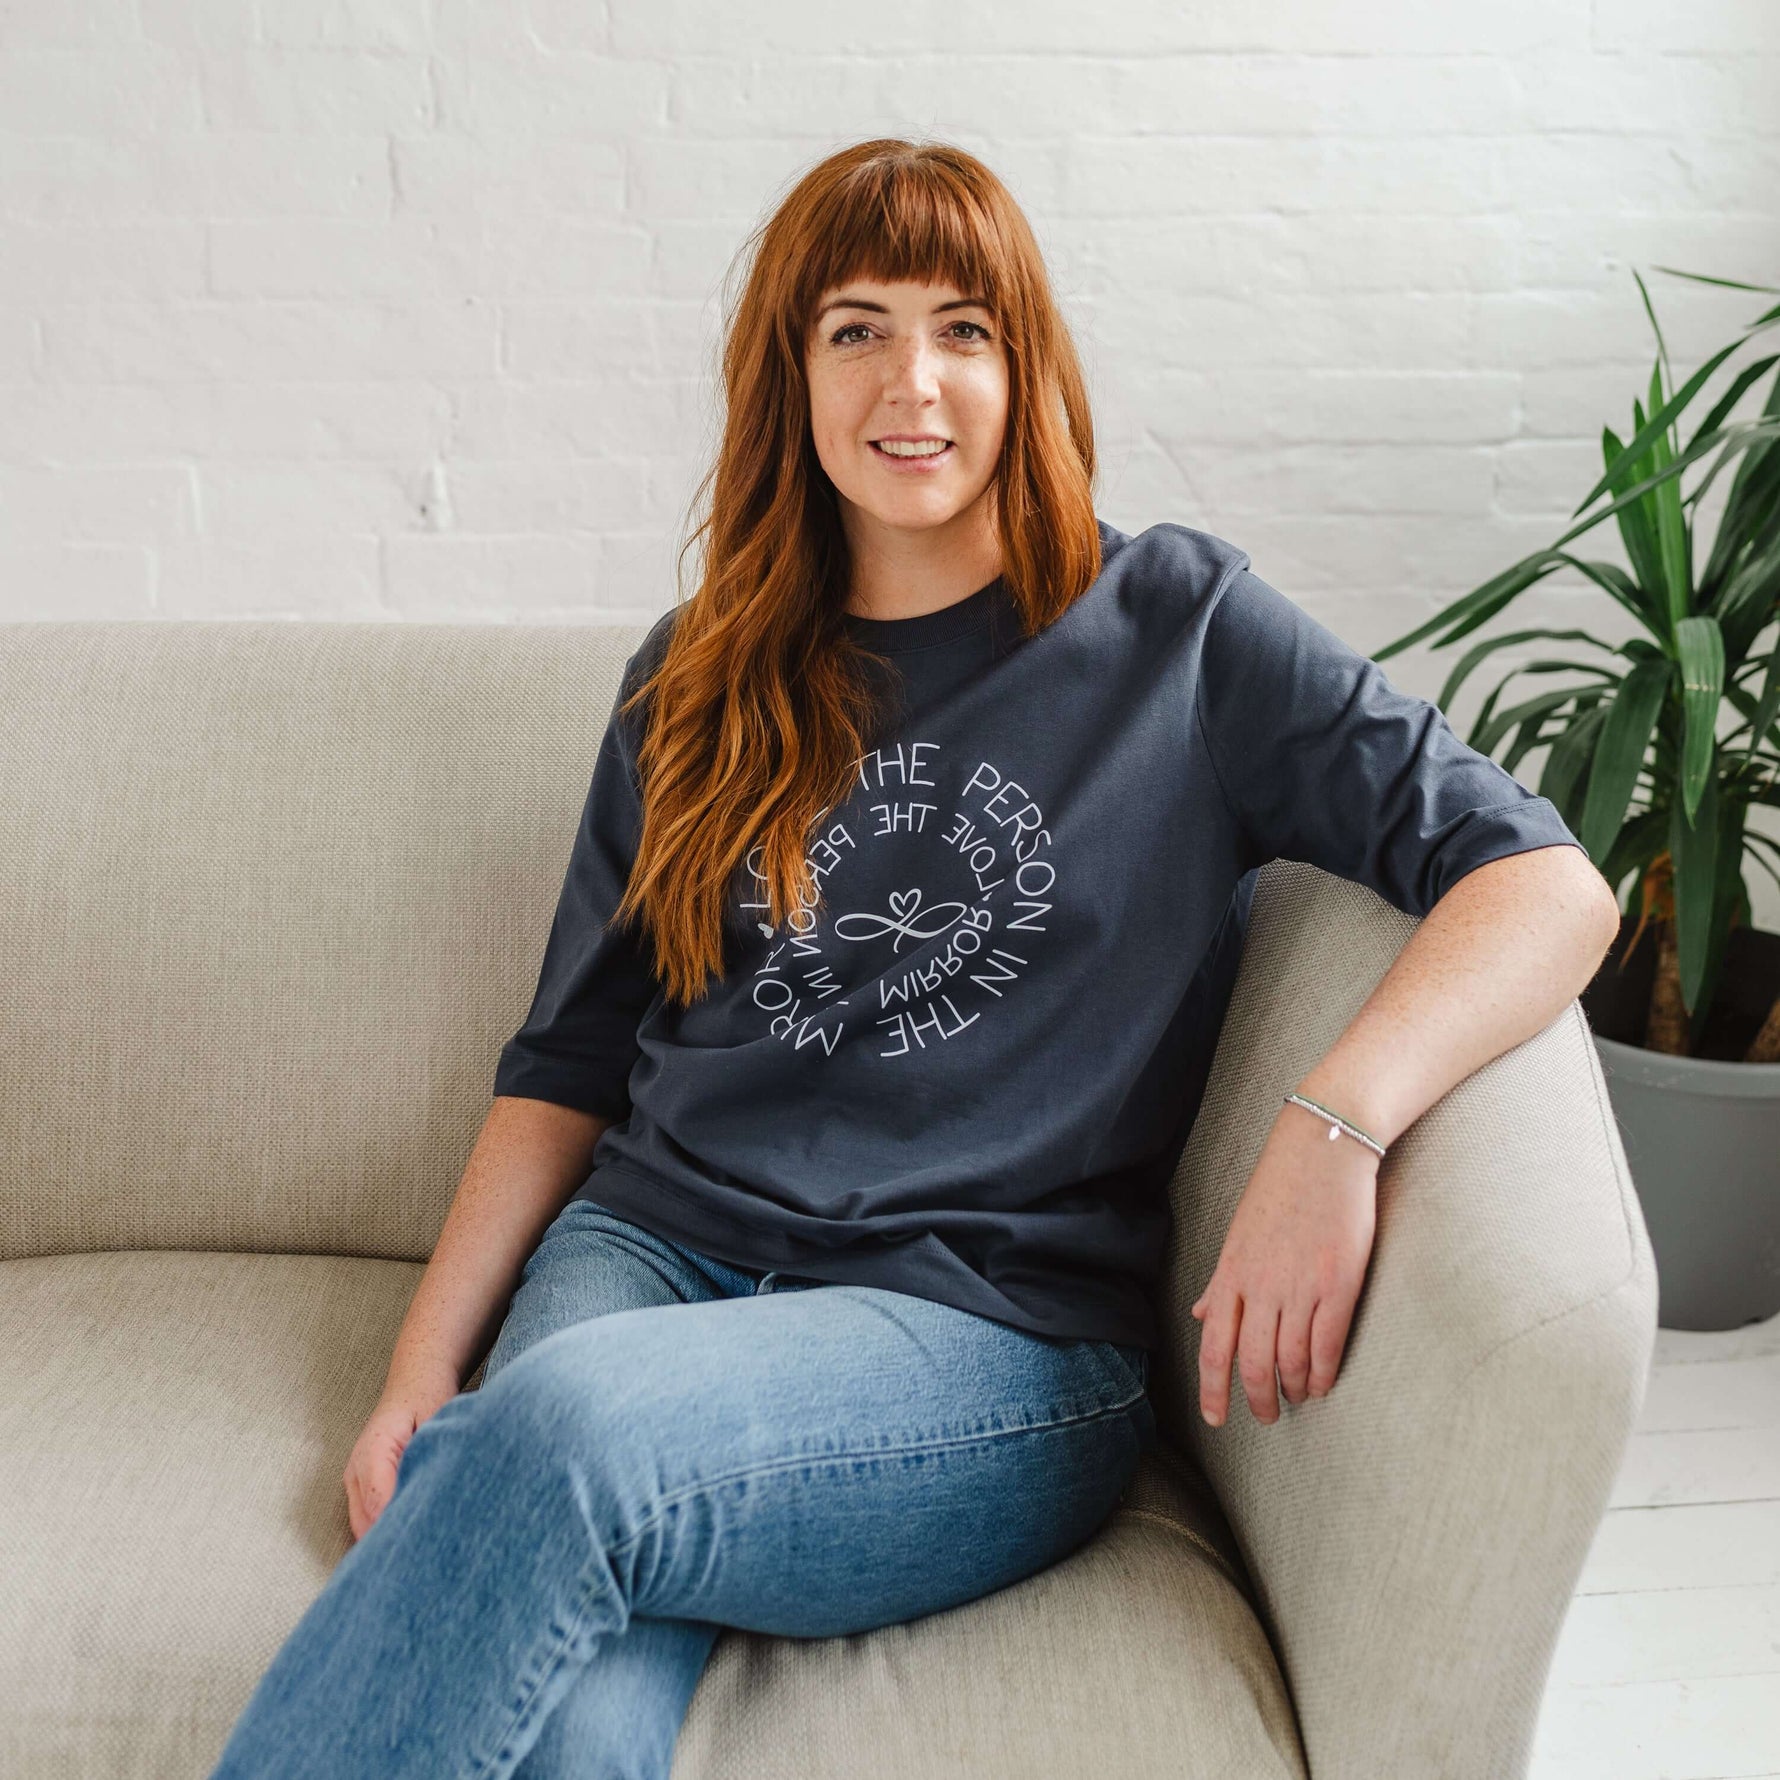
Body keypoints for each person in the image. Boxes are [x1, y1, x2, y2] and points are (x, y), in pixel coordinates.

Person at [209, 138, 1621, 1780]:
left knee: (566, 1441)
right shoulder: (698, 676)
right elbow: (572, 1064)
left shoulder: (1175, 632)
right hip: (654, 1250)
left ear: (1026, 363)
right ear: (791, 378)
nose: (915, 380)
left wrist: (1340, 1119)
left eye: (964, 327)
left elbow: (1545, 880)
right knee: (576, 1694)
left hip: (977, 1331)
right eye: (856, 328)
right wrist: (414, 1375)